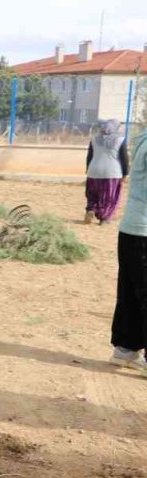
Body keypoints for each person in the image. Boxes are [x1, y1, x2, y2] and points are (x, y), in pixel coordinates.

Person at [110, 128, 147, 371]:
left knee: (132, 291)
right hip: (144, 230)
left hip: (133, 229)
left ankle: (126, 349)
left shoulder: (143, 138)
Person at [85, 119, 131, 225]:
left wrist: (88, 170)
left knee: (92, 194)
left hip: (93, 171)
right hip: (112, 173)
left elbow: (89, 157)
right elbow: (124, 158)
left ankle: (90, 209)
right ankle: (104, 218)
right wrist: (125, 173)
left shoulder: (94, 139)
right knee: (108, 197)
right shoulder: (120, 140)